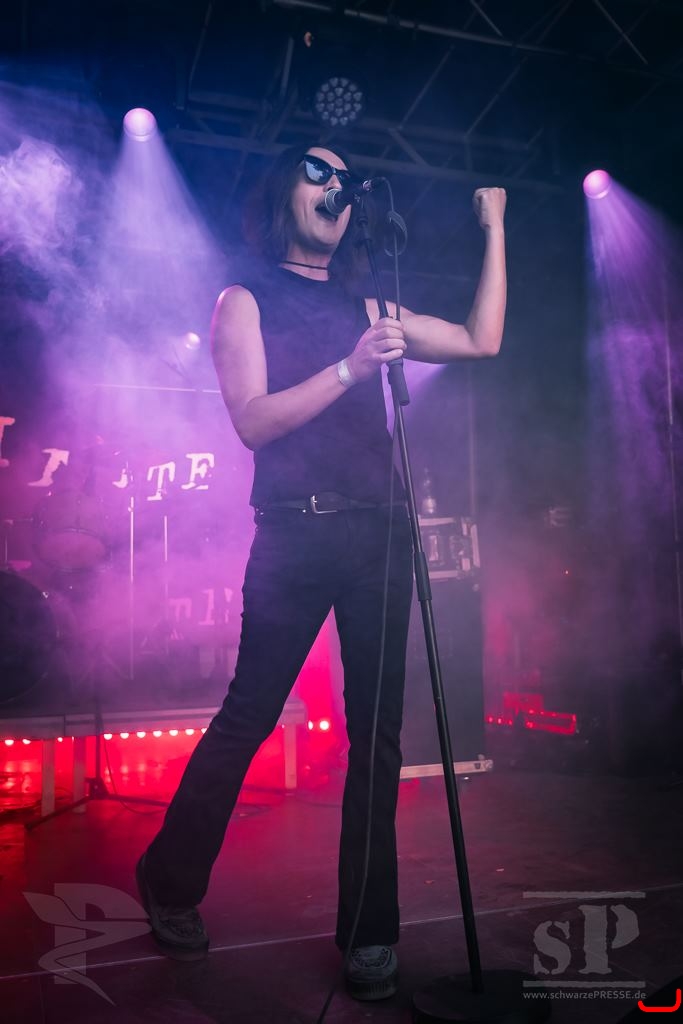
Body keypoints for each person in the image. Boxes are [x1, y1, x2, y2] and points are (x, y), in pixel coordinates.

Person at [136, 144, 506, 1001]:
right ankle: (168, 878)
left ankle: (369, 933)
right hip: (294, 535)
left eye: (343, 178)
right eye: (317, 172)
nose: (335, 187)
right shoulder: (243, 299)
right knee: (251, 714)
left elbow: (479, 340)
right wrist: (351, 367)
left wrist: (494, 231)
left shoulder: (367, 303)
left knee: (377, 736)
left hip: (380, 534)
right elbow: (253, 422)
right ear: (283, 194)